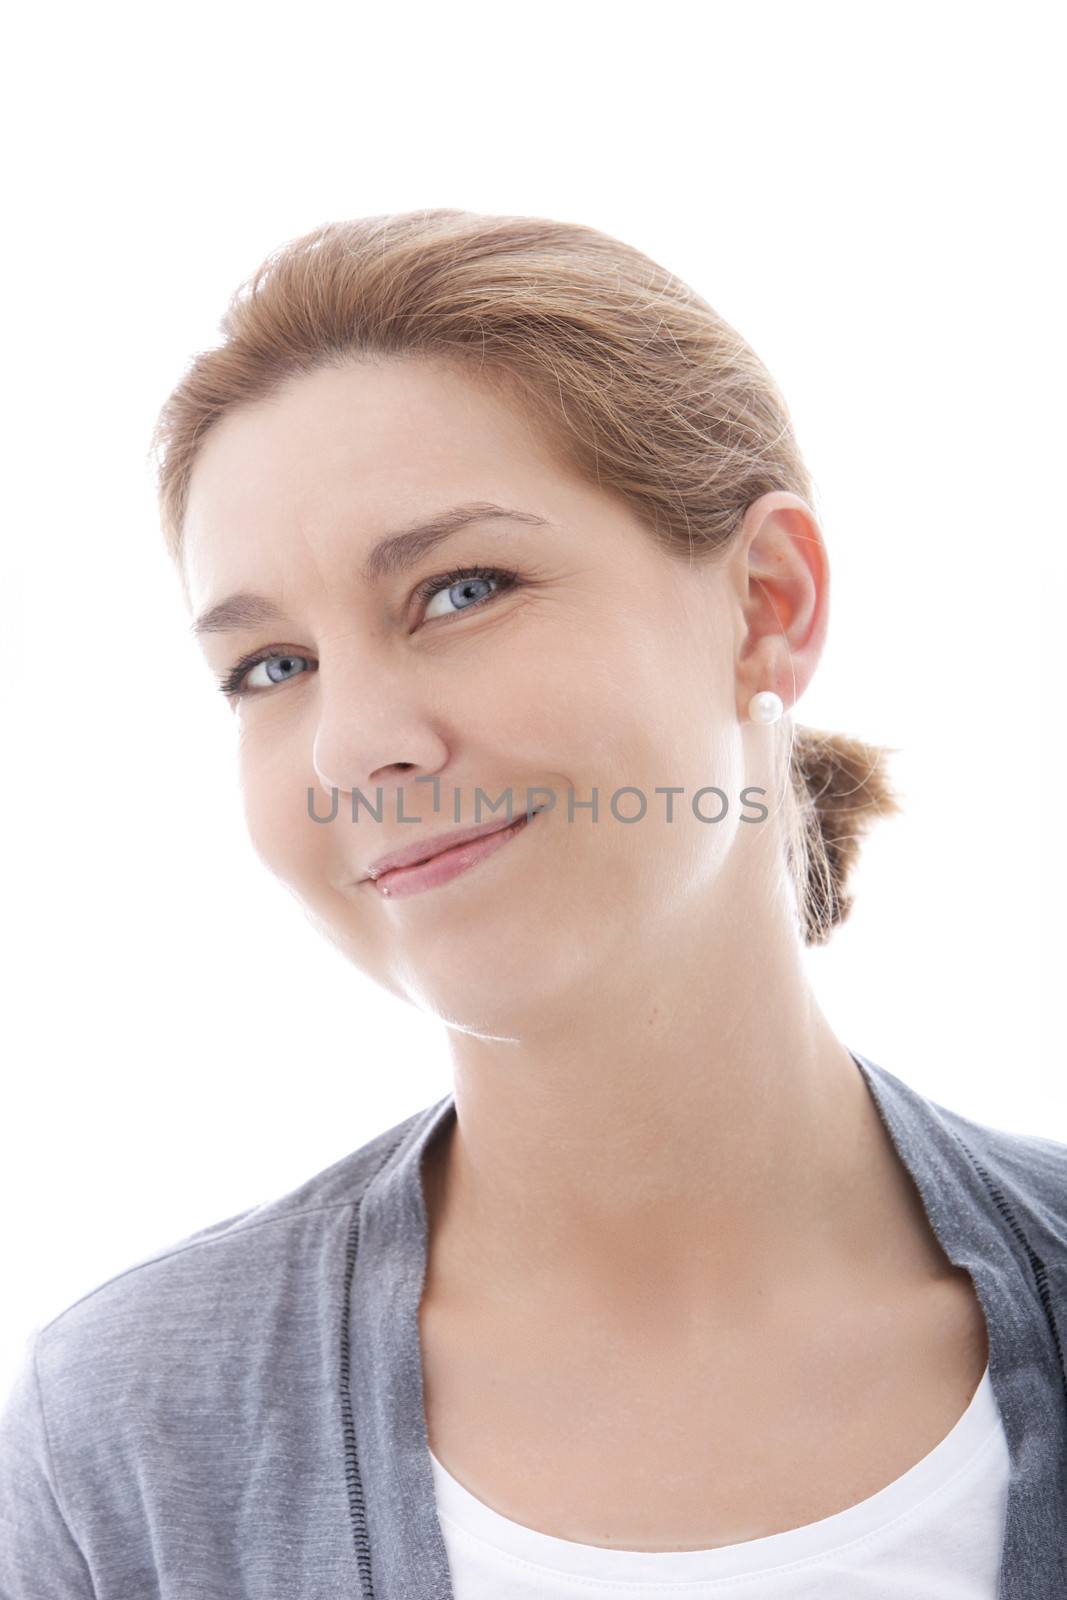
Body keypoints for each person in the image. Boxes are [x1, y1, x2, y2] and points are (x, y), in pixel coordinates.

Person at [1, 209, 1065, 1598]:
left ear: (764, 604)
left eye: (459, 589)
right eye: (271, 667)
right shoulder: (130, 1439)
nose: (352, 746)